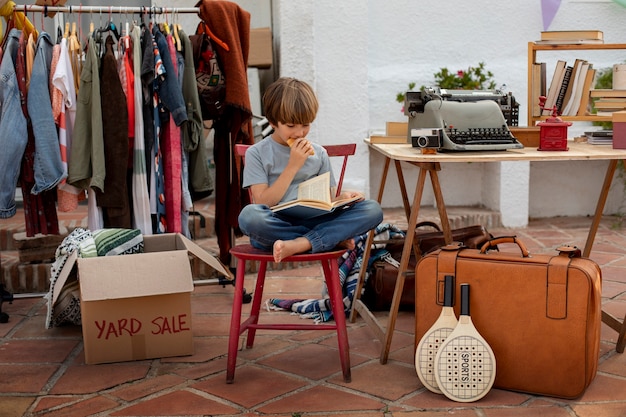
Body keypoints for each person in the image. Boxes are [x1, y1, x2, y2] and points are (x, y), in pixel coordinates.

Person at [238, 77, 383, 262]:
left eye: (305, 125)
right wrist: (293, 165)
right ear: (273, 122)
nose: (299, 133)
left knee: (372, 209)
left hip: (316, 220)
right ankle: (326, 239)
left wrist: (343, 198)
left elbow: (327, 200)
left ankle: (301, 244)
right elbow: (262, 202)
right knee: (249, 216)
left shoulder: (319, 153)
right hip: (277, 223)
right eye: (291, 126)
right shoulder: (256, 153)